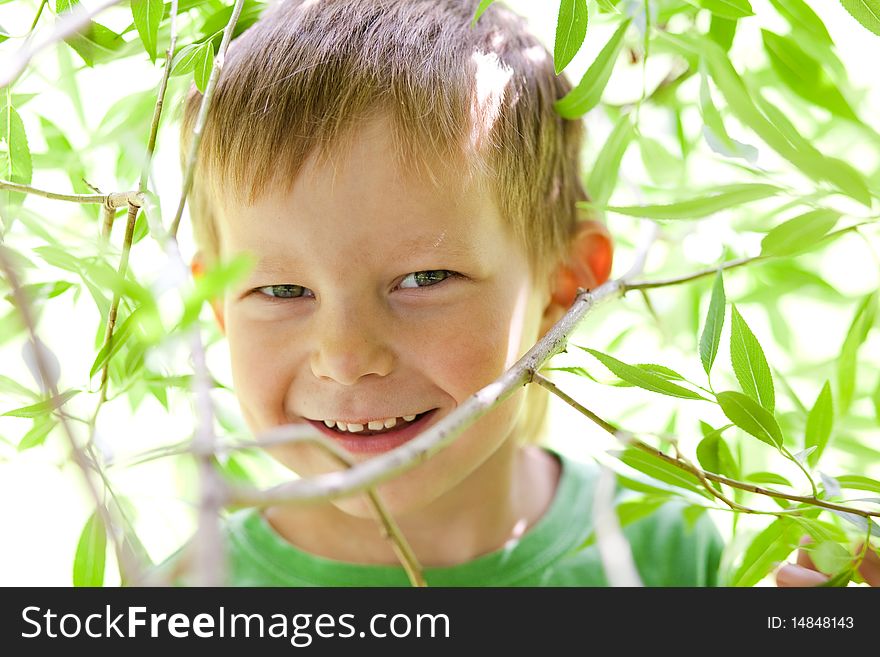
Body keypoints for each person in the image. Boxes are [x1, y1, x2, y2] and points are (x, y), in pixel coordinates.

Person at [168, 0, 728, 587]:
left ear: (565, 281)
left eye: (424, 280)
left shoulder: (665, 548)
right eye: (282, 290)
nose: (345, 359)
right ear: (216, 303)